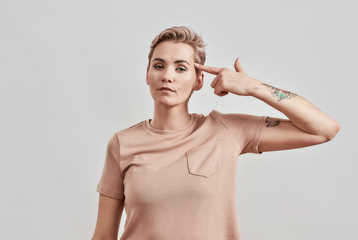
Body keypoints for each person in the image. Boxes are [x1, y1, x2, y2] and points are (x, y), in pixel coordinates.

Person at [91, 26, 340, 240]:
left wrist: (254, 87)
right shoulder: (123, 144)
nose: (167, 76)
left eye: (180, 68)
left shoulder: (226, 130)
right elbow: (103, 236)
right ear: (147, 75)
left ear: (198, 80)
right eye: (159, 66)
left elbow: (324, 129)